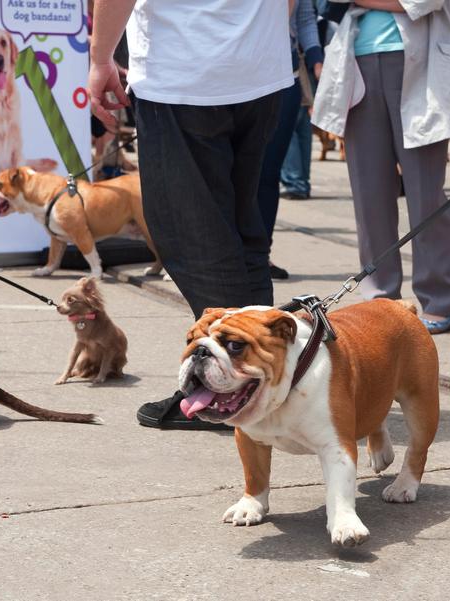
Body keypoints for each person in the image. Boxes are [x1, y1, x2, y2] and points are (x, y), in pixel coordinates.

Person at [89, 0, 292, 430]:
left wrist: (100, 57)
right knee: (244, 231)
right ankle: (269, 379)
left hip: (186, 69)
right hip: (260, 67)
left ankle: (227, 391)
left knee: (194, 234)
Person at [313, 0, 450, 335]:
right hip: (357, 62)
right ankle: (380, 298)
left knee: (426, 196)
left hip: (421, 64)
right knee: (369, 195)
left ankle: (439, 298)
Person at [257, 0, 323, 280]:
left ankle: (260, 255)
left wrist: (317, 60)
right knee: (234, 173)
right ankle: (229, 255)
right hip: (239, 76)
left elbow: (305, 18)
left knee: (268, 173)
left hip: (286, 76)